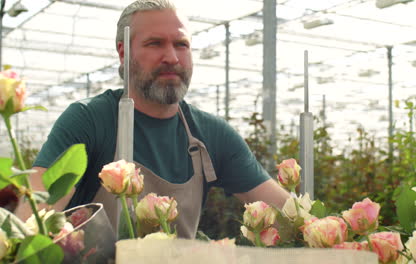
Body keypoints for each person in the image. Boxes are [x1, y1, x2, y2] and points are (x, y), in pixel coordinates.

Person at [16, 0, 289, 238]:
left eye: (181, 45)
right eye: (155, 43)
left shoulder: (210, 135)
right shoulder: (90, 121)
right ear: (123, 52)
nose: (171, 57)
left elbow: (289, 216)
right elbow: (32, 218)